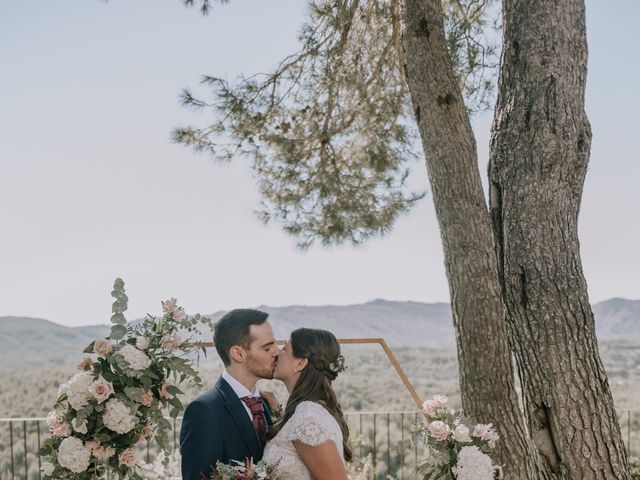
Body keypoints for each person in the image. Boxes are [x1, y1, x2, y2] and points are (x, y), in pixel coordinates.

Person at [179, 309, 280, 480]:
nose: (277, 351)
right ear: (238, 353)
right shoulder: (204, 411)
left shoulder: (266, 403)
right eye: (267, 348)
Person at [262, 328, 352, 480]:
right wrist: (279, 413)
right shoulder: (308, 411)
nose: (277, 353)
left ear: (301, 363)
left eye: (284, 349)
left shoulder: (308, 418)